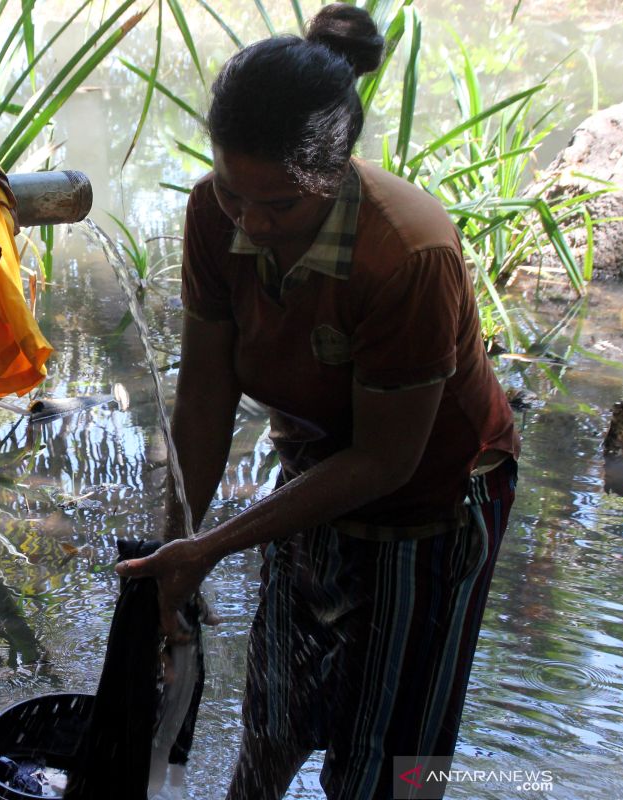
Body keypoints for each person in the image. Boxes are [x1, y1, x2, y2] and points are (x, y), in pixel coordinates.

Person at [115, 5, 520, 799]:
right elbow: (203, 396)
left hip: (433, 498)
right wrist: (180, 548)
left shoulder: (405, 253)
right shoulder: (211, 212)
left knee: (394, 759)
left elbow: (386, 459)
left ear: (334, 179)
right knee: (274, 720)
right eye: (235, 194)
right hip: (316, 475)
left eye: (282, 206)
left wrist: (215, 547)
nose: (251, 224)